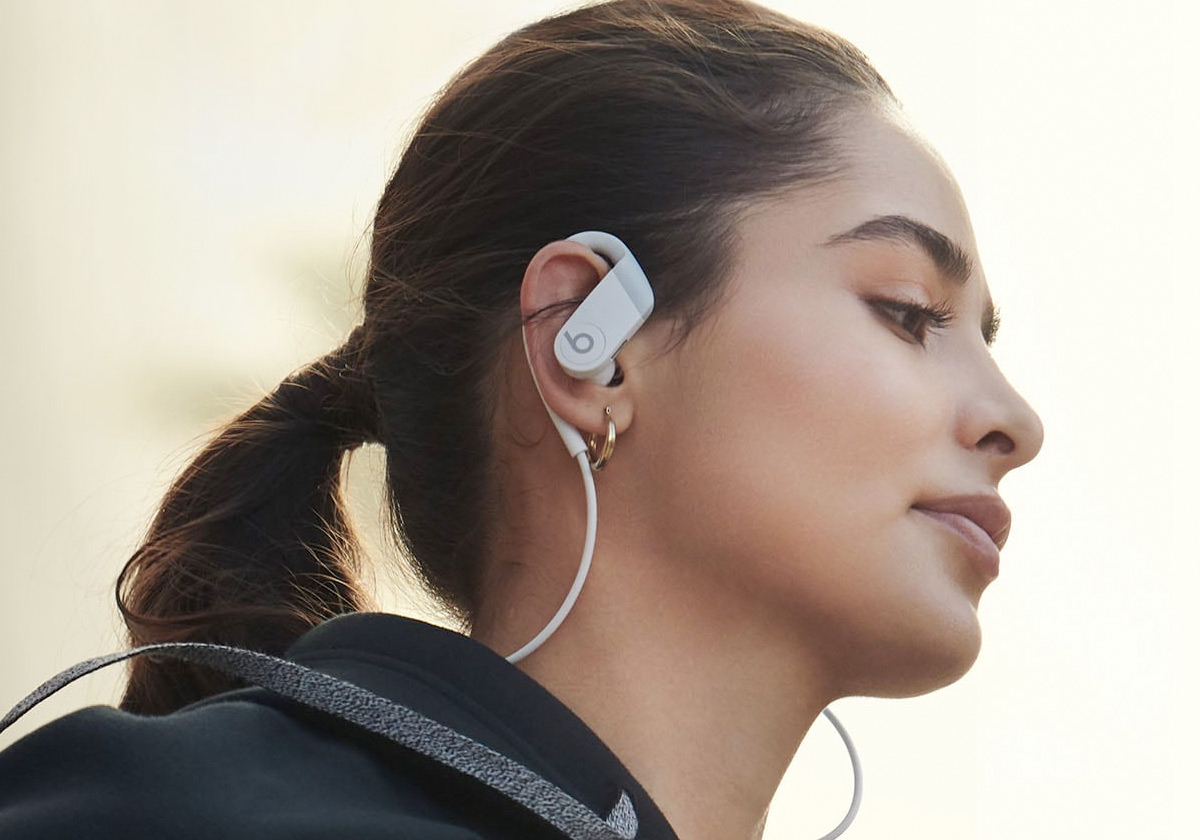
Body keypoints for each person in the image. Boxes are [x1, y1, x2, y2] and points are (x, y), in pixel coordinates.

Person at [0, 0, 1044, 838]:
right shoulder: (169, 815)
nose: (1015, 420)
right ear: (589, 346)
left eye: (987, 340)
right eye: (909, 314)